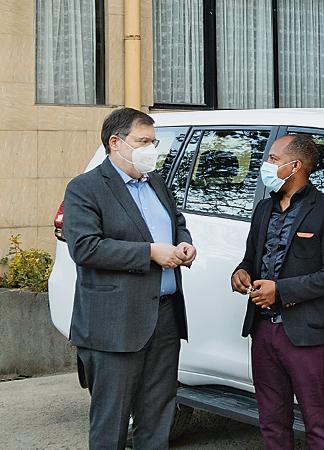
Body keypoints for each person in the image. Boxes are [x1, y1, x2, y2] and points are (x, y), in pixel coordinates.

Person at [63, 107, 196, 449]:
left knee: (157, 416)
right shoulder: (86, 188)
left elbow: (177, 221)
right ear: (115, 143)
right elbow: (86, 248)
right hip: (115, 323)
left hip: (164, 316)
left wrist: (184, 243)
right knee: (112, 421)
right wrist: (149, 252)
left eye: (153, 142)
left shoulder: (156, 182)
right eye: (143, 141)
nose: (151, 149)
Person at [231, 134, 324, 450]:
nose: (266, 165)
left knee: (317, 424)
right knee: (271, 421)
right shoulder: (263, 208)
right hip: (262, 329)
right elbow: (249, 259)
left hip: (306, 333)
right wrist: (240, 273)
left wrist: (280, 291)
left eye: (273, 159)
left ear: (295, 166)